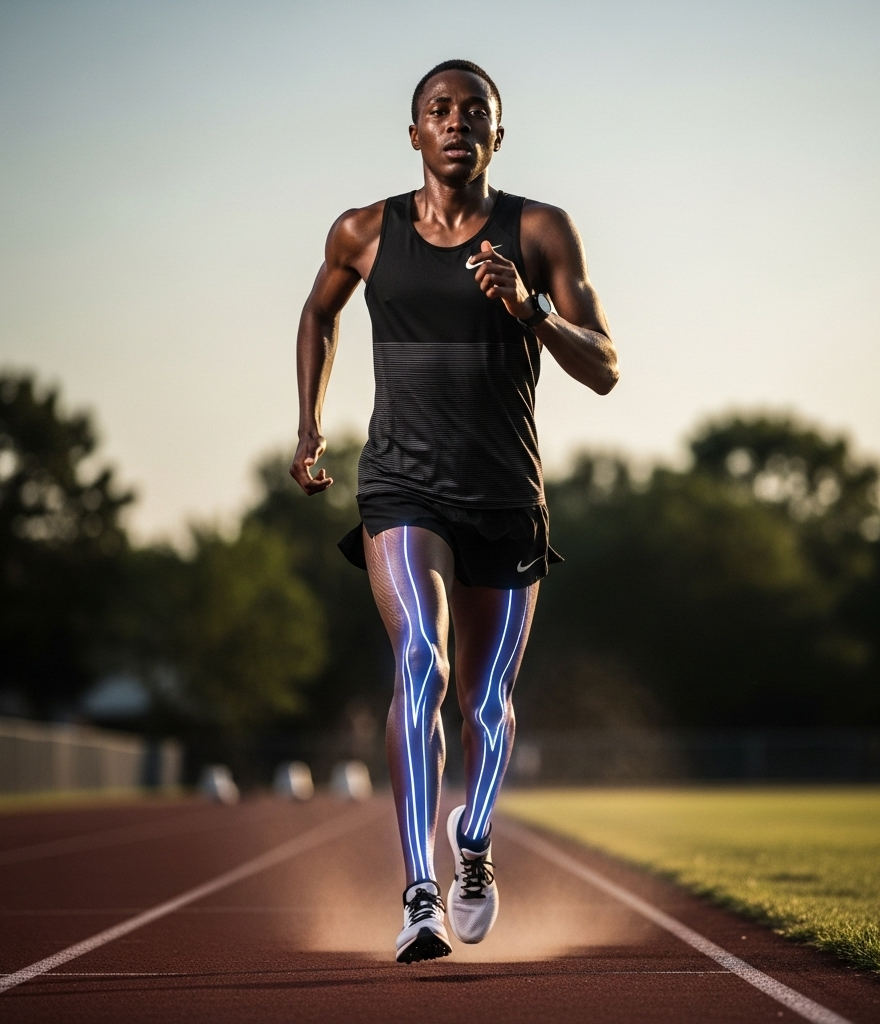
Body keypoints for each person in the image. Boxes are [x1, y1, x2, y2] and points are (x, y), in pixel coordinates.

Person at [290, 59, 617, 963]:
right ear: (414, 133)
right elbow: (319, 317)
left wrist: (530, 307)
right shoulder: (363, 230)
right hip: (400, 486)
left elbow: (605, 364)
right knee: (420, 658)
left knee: (486, 699)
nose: (457, 122)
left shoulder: (541, 229)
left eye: (476, 111)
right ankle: (420, 889)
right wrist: (311, 425)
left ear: (498, 135)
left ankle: (473, 844)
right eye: (440, 110)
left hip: (507, 497)